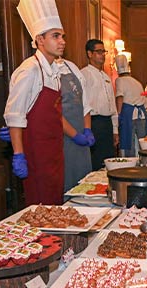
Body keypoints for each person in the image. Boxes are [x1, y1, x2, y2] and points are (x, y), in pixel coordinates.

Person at [0, 0, 88, 205]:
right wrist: (19, 154)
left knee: (55, 201)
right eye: (56, 36)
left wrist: (76, 135)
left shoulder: (55, 72)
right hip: (36, 153)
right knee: (40, 206)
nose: (62, 41)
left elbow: (56, 115)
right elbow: (15, 115)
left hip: (54, 151)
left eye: (63, 36)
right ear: (39, 39)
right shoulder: (29, 70)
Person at [56, 54, 94, 192]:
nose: (62, 42)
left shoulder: (71, 67)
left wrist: (87, 129)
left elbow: (85, 103)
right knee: (66, 179)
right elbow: (54, 112)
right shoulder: (43, 71)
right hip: (61, 136)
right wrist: (74, 135)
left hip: (80, 131)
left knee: (83, 180)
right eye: (56, 37)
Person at [81, 39, 118, 170]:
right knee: (96, 160)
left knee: (109, 160)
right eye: (98, 51)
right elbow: (83, 103)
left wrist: (115, 130)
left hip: (107, 123)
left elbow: (112, 106)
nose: (102, 55)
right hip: (93, 123)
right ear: (90, 54)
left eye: (104, 52)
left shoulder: (106, 76)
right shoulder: (84, 74)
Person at [114, 54, 147, 157]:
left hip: (128, 114)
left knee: (128, 140)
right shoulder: (137, 82)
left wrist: (118, 114)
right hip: (141, 115)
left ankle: (130, 162)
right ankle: (143, 162)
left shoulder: (119, 80)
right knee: (142, 142)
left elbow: (120, 97)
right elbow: (144, 102)